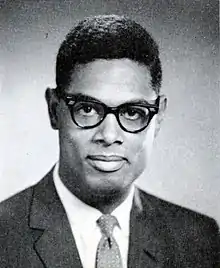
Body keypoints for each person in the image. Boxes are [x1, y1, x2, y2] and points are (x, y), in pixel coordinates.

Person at [0, 14, 219, 268]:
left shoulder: (201, 240)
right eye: (88, 109)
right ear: (54, 109)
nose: (109, 136)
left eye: (132, 113)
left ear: (158, 118)